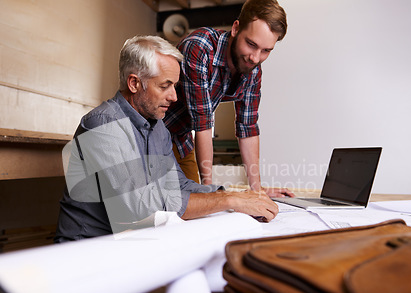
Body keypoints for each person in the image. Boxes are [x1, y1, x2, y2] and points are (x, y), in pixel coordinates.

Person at [55, 35, 279, 242]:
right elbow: (142, 205)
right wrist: (229, 201)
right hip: (89, 247)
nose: (174, 97)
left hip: (128, 241)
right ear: (134, 83)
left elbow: (178, 185)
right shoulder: (104, 124)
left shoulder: (158, 126)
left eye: (175, 85)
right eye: (165, 86)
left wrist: (235, 195)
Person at [163, 0, 293, 198]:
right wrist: (210, 190)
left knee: (194, 202)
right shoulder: (199, 48)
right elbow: (203, 122)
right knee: (178, 203)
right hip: (152, 133)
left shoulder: (253, 71)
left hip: (181, 139)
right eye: (251, 44)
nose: (255, 58)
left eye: (266, 50)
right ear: (235, 28)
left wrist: (257, 190)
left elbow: (247, 128)